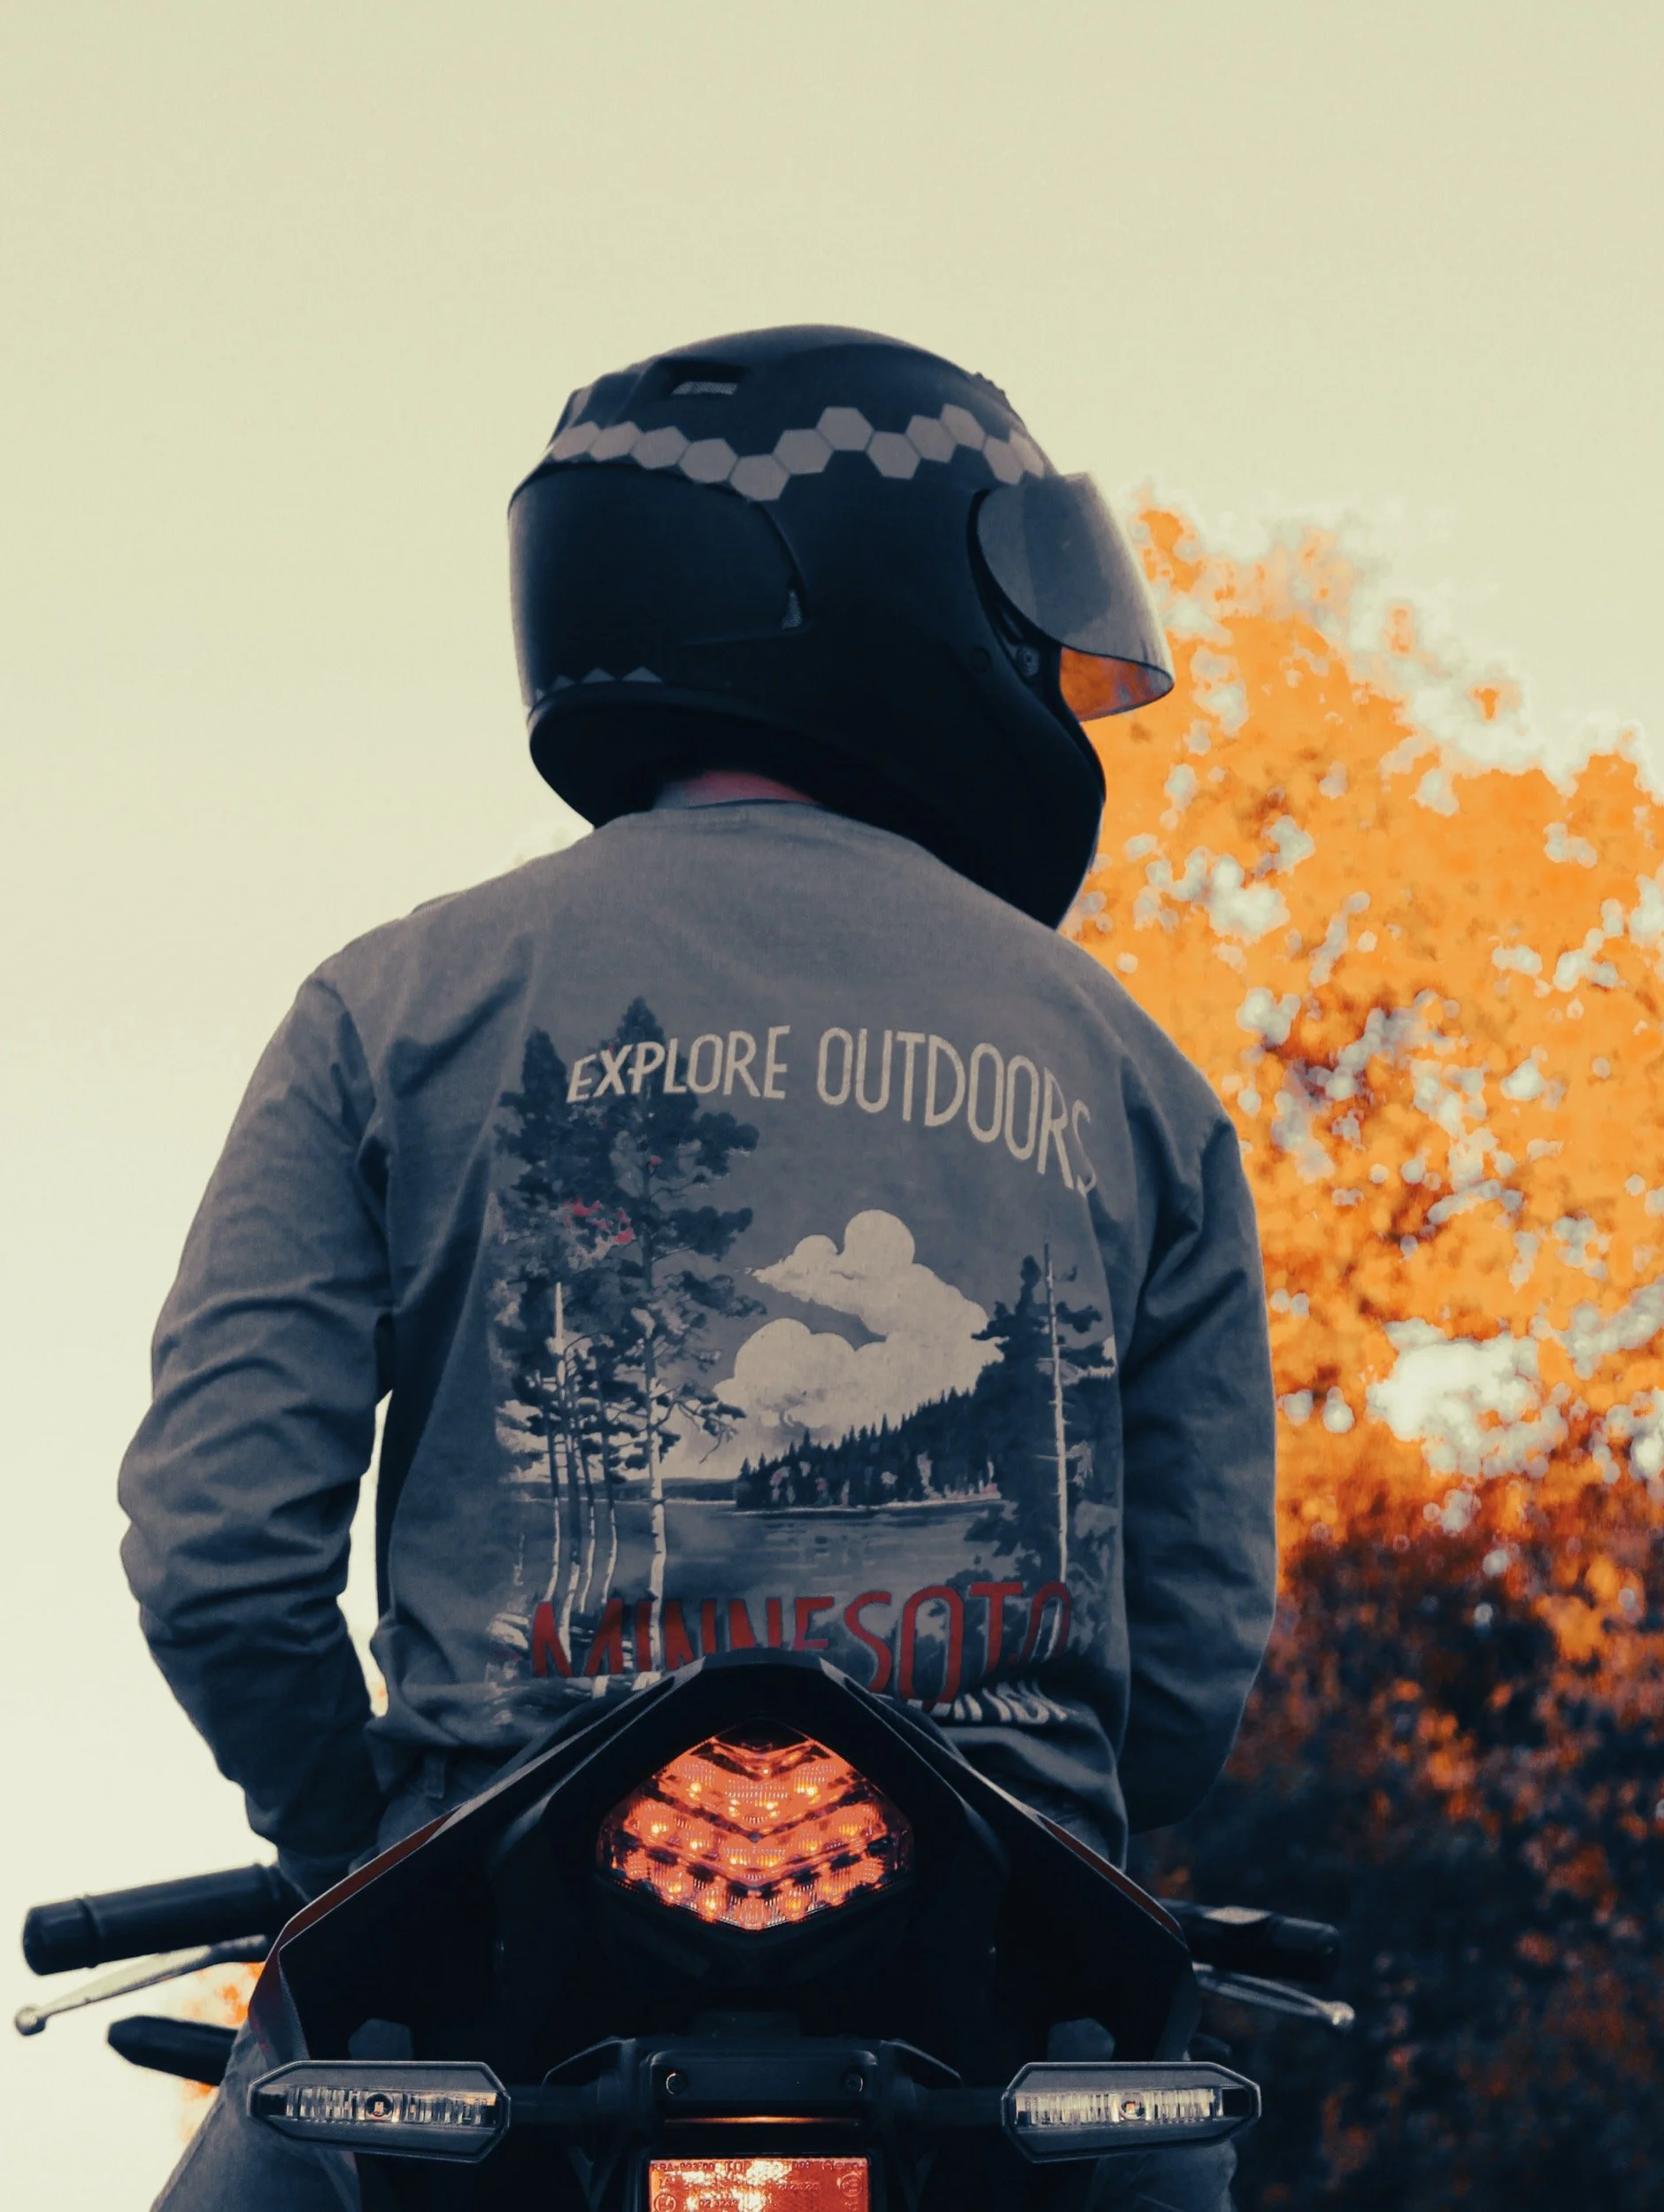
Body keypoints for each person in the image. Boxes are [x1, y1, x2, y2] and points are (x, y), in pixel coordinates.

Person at [121, 324, 1277, 2208]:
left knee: (279, 2150)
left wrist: (363, 1851)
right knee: (1156, 2154)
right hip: (998, 1980)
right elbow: (1200, 1655)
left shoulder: (391, 1004)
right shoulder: (1131, 1070)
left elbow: (216, 1547)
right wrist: (1067, 1835)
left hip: (492, 1956)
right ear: (909, 598)